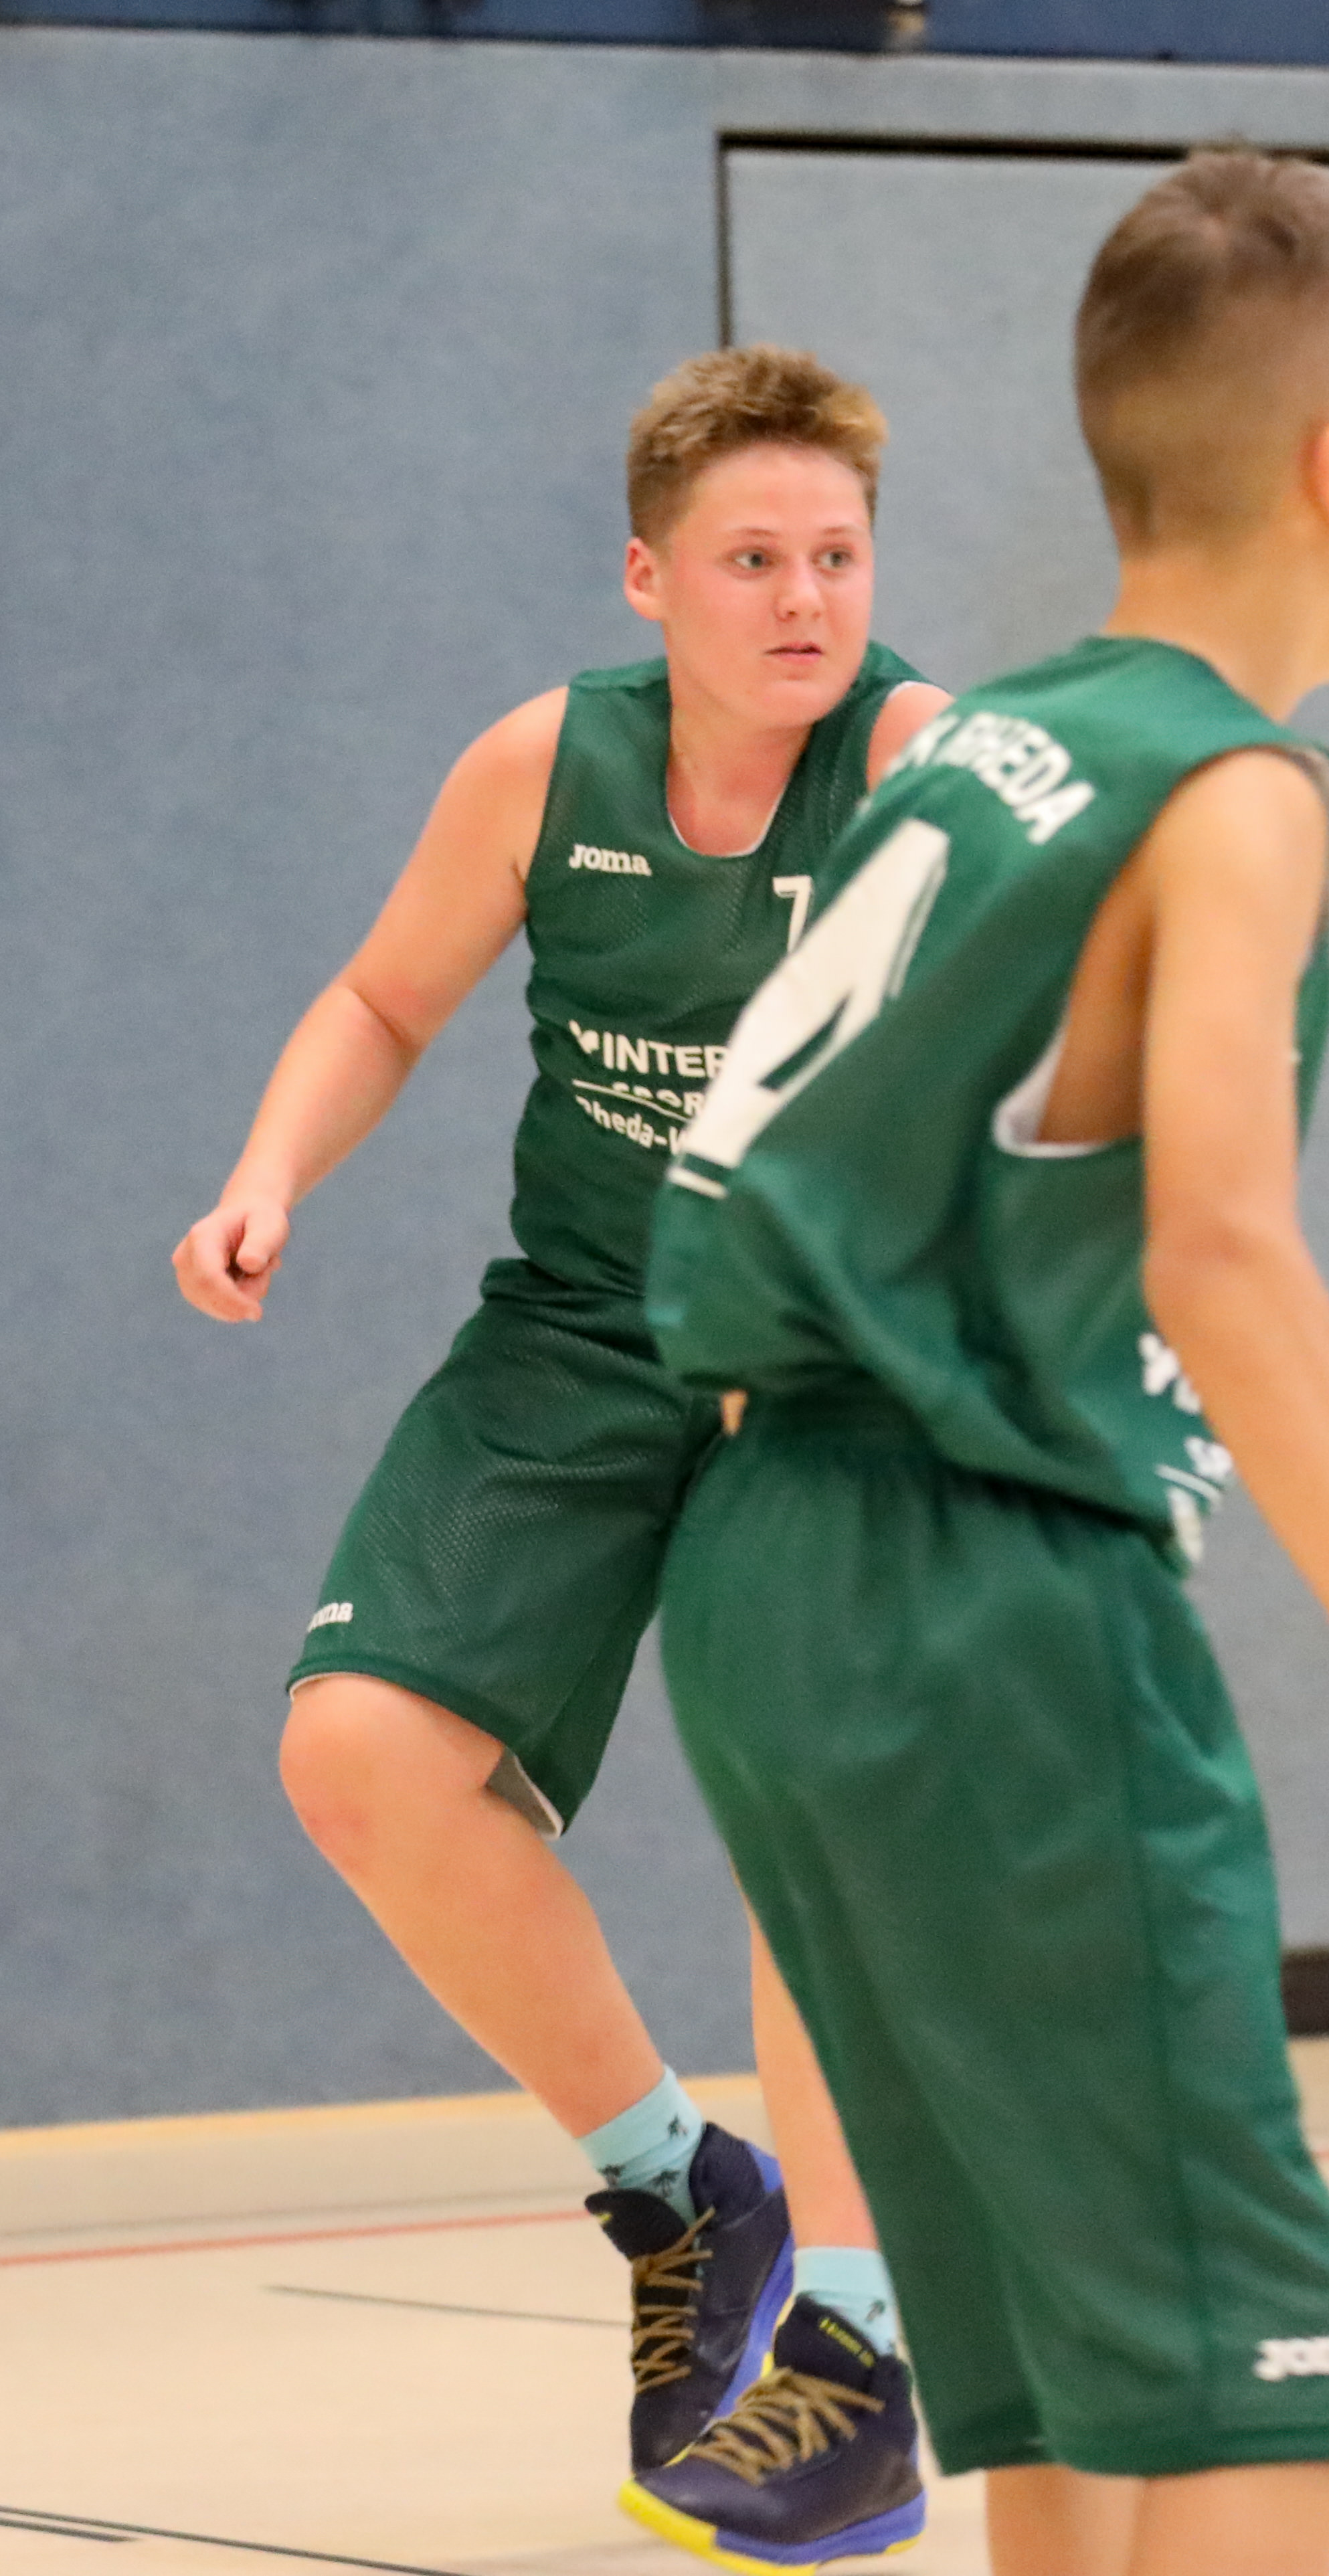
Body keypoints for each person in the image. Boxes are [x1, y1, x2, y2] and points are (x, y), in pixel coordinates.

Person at [637, 153, 1329, 2576]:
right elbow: (1222, 1250)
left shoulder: (980, 746)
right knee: (1249, 2337)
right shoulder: (1237, 786)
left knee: (1070, 2340)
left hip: (763, 1579)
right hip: (987, 1597)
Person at [171, 345, 950, 2566]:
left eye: (836, 555)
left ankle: (863, 2351)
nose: (803, 597)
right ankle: (680, 2188)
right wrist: (269, 1172)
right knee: (360, 1753)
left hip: (824, 1358)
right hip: (587, 1330)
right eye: (752, 558)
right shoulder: (544, 764)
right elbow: (382, 1000)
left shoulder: (919, 768)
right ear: (649, 577)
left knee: (806, 1803)